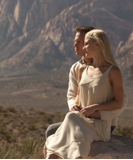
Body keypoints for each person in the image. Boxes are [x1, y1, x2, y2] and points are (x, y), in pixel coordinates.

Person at [45, 29, 126, 159]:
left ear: (98, 44)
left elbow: (119, 102)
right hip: (82, 118)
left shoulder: (113, 71)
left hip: (99, 124)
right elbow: (75, 96)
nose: (83, 47)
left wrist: (95, 108)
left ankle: (68, 155)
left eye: (86, 43)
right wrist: (75, 106)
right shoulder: (81, 69)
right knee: (69, 118)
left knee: (70, 120)